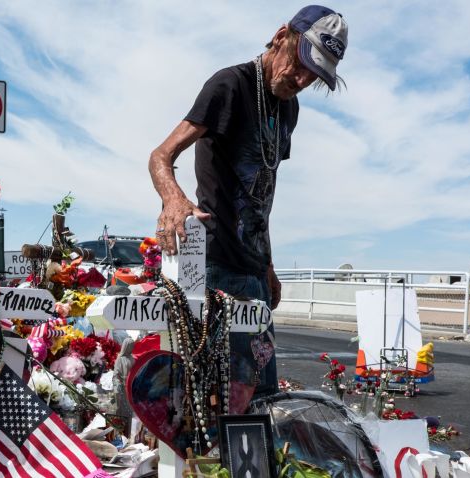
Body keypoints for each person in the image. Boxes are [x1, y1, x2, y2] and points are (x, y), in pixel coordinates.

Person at [148, 5, 348, 406]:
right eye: (300, 63)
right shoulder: (230, 85)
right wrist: (174, 198)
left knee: (262, 397)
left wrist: (268, 266)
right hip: (215, 267)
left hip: (253, 274)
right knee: (212, 398)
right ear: (280, 37)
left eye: (315, 75)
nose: (302, 79)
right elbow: (160, 155)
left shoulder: (288, 109)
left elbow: (263, 193)